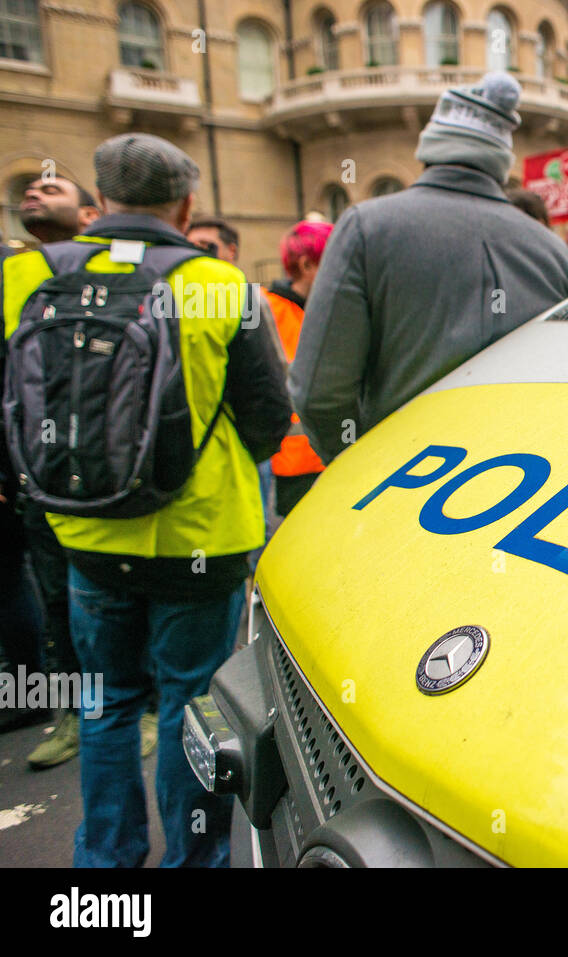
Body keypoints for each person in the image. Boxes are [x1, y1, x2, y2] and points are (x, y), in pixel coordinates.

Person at [1, 133, 291, 867]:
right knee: (192, 705)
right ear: (187, 203)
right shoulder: (226, 287)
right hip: (202, 537)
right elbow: (266, 417)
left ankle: (105, 860)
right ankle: (193, 861)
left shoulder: (24, 274)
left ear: (100, 200)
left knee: (104, 703)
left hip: (83, 530)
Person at [290, 72, 568, 463]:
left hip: (399, 483)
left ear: (429, 150)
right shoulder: (553, 250)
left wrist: (354, 471)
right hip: (522, 483)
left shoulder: (366, 228)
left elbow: (319, 392)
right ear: (499, 161)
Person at [7, 176, 112, 766]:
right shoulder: (11, 271)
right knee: (56, 604)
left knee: (109, 599)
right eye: (29, 189)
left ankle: (132, 707)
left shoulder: (117, 268)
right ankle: (73, 716)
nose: (35, 193)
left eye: (52, 186)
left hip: (105, 472)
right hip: (39, 475)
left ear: (91, 211)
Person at [265, 220, 332, 516]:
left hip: (332, 456)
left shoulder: (333, 309)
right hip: (289, 464)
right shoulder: (268, 311)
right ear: (307, 265)